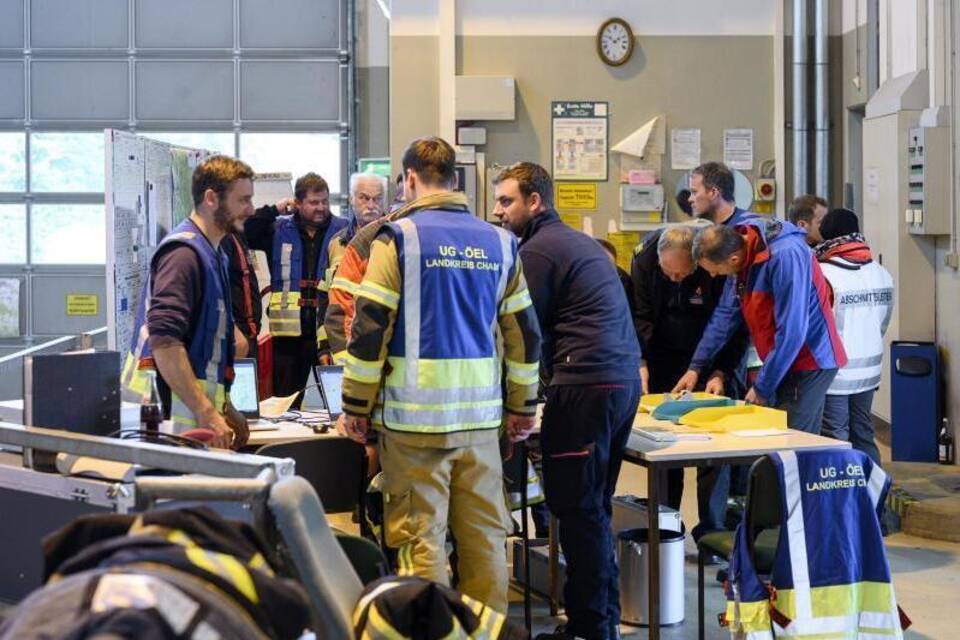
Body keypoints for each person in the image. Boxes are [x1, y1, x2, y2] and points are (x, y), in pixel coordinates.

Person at [338, 137, 542, 614]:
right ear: (456, 178)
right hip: (481, 425)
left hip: (414, 428)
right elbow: (524, 335)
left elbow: (370, 329)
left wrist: (355, 406)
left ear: (410, 179)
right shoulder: (501, 242)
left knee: (421, 542)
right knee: (486, 539)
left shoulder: (399, 239)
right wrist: (522, 406)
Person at [493, 162, 641, 640]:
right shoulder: (574, 242)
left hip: (585, 386)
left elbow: (520, 334)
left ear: (535, 201)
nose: (498, 211)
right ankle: (597, 621)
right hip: (616, 383)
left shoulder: (539, 251)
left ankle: (591, 628)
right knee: (592, 507)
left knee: (578, 511)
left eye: (506, 201)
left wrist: (515, 403)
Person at [121, 155, 254, 449]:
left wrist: (224, 408)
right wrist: (207, 412)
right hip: (164, 417)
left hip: (188, 417)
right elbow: (165, 343)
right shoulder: (184, 255)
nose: (251, 209)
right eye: (242, 200)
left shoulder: (214, 253)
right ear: (211, 198)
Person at [631, 225, 748, 539]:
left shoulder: (716, 264)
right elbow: (639, 315)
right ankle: (667, 526)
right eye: (668, 273)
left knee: (714, 449)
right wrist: (641, 361)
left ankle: (712, 531)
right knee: (663, 446)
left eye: (682, 275)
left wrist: (721, 370)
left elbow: (735, 325)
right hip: (661, 356)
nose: (674, 280)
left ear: (698, 263)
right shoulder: (644, 261)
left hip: (710, 360)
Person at [685, 219, 847, 432]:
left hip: (808, 359)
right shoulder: (742, 252)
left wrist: (762, 387)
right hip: (781, 361)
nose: (714, 276)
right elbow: (725, 316)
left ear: (733, 259)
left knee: (793, 440)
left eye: (714, 270)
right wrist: (696, 367)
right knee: (778, 437)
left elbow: (792, 331)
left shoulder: (785, 255)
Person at [244, 173, 348, 397]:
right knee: (285, 404)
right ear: (297, 203)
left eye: (324, 201)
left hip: (329, 335)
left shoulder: (344, 231)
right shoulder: (279, 230)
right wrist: (274, 209)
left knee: (335, 402)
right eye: (313, 202)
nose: (321, 208)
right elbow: (246, 229)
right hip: (288, 342)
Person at [816, 208, 893, 463]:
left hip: (836, 373)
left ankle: (844, 501)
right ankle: (873, 497)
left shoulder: (824, 274)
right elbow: (883, 322)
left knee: (836, 438)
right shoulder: (881, 272)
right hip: (869, 372)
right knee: (863, 434)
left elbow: (817, 327)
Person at [321, 172, 388, 361]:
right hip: (342, 343)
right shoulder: (337, 243)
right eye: (364, 198)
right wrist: (325, 347)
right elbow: (324, 297)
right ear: (351, 199)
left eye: (377, 199)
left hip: (382, 344)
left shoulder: (396, 240)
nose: (371, 205)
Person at [221, 230, 261, 361]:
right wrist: (232, 330)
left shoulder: (239, 236)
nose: (249, 210)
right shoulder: (223, 239)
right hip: (236, 335)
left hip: (248, 333)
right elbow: (219, 290)